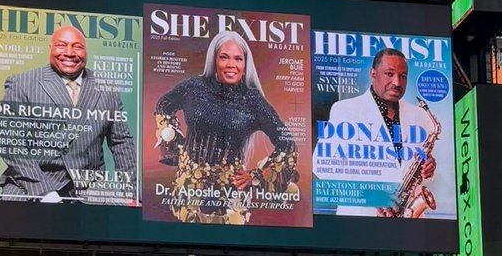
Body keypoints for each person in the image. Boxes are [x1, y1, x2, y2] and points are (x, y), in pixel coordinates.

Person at [154, 30, 298, 225]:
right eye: (224, 57)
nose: (231, 64)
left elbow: (287, 144)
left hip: (231, 198)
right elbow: (164, 105)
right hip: (190, 192)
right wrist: (174, 144)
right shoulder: (193, 87)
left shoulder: (253, 100)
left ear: (245, 65)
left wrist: (256, 175)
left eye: (238, 59)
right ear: (214, 60)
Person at [0, 25, 137, 203]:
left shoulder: (107, 88)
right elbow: (9, 143)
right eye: (61, 45)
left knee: (122, 216)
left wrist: (131, 192)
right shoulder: (21, 83)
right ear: (51, 48)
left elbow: (121, 142)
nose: (69, 53)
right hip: (33, 179)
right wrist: (45, 192)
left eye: (77, 46)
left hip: (91, 184)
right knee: (13, 213)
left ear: (86, 51)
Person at [313, 48, 437, 218]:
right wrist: (371, 195)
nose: (397, 83)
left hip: (409, 220)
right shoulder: (345, 109)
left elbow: (416, 170)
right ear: (373, 73)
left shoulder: (419, 115)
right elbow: (321, 167)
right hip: (362, 218)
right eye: (389, 74)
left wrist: (429, 169)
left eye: (403, 76)